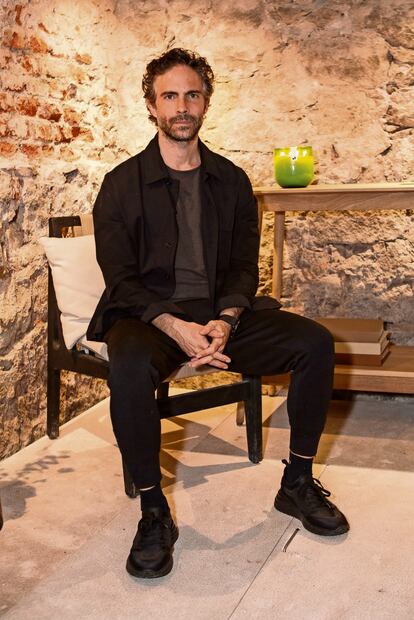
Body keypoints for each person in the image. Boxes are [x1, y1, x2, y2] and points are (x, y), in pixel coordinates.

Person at [87, 48, 349, 579]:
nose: (181, 106)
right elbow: (120, 278)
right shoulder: (120, 184)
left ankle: (297, 482)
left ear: (206, 103)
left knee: (315, 343)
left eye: (192, 95)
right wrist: (172, 325)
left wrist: (226, 320)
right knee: (129, 365)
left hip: (218, 317)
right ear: (152, 106)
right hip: (148, 318)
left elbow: (242, 269)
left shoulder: (231, 181)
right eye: (170, 96)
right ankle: (153, 511)